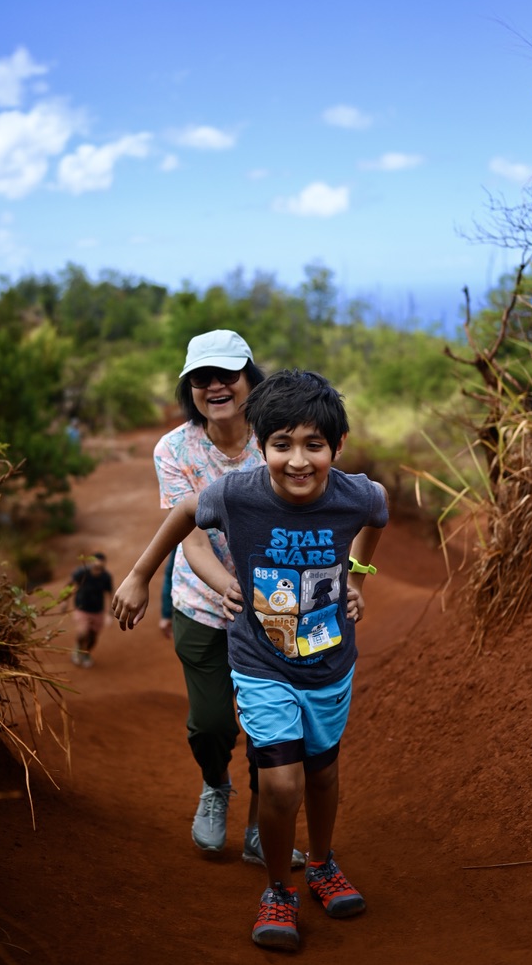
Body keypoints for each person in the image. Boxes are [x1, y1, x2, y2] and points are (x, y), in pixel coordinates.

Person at [112, 369, 388, 952]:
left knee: (322, 773)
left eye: (314, 445)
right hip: (260, 661)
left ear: (336, 447)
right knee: (282, 783)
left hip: (331, 662)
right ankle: (278, 890)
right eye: (281, 444)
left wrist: (358, 576)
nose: (297, 460)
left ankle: (321, 863)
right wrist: (139, 576)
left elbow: (377, 517)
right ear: (260, 447)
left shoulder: (356, 493)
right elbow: (185, 512)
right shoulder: (236, 493)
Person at [153, 329, 305, 867]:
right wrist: (228, 588)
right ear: (189, 387)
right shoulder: (173, 450)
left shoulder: (277, 439)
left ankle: (262, 829)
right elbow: (189, 535)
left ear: (249, 379)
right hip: (200, 600)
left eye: (227, 375)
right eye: (202, 378)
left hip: (277, 603)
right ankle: (215, 785)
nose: (215, 387)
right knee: (212, 723)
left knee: (274, 725)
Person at [64, 551, 113, 668]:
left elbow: (110, 594)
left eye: (101, 565)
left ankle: (86, 654)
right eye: (96, 564)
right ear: (91, 562)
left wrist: (110, 613)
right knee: (83, 632)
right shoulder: (81, 573)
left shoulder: (106, 577)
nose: (98, 567)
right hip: (82, 609)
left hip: (97, 611)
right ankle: (77, 649)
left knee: (93, 637)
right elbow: (69, 585)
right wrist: (64, 601)